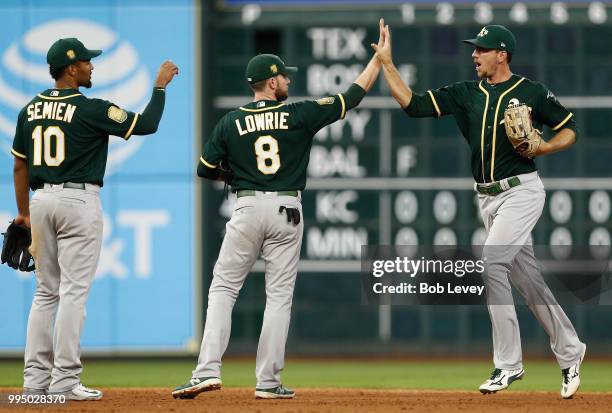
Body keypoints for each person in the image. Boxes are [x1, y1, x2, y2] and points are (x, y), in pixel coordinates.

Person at [372, 20, 586, 399]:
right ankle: (571, 351)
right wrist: (388, 63)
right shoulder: (465, 94)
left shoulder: (530, 92)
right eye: (475, 49)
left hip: (521, 192)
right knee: (529, 283)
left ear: (502, 55)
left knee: (490, 263)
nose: (474, 54)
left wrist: (544, 146)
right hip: (487, 198)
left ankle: (508, 365)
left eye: (482, 49)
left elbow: (569, 128)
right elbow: (413, 104)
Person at [172, 46, 381, 400]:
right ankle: (268, 382)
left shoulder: (230, 121)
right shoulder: (298, 114)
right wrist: (377, 61)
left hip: (247, 207)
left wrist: (234, 171)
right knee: (279, 298)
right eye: (284, 75)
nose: (288, 79)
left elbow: (204, 169)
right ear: (271, 81)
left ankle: (206, 371)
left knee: (223, 289)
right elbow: (351, 97)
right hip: (287, 209)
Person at [11, 37, 178, 400]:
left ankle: (34, 382)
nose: (91, 66)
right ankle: (66, 381)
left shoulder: (29, 110)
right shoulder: (90, 109)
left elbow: (19, 165)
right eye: (86, 61)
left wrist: (23, 212)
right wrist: (160, 86)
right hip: (77, 200)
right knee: (72, 292)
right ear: (71, 68)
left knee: (44, 293)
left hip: (40, 201)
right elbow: (146, 124)